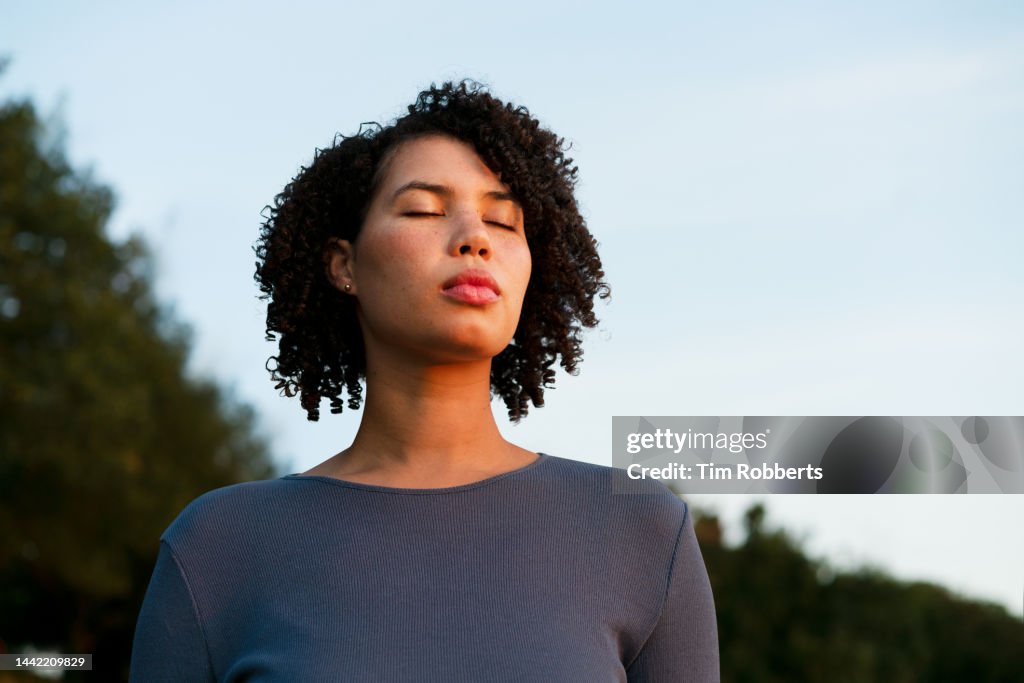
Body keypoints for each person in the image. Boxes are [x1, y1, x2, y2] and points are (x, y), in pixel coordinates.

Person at [129, 80, 719, 681]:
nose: (475, 238)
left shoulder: (641, 530)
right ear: (344, 264)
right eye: (424, 210)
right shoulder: (217, 547)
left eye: (503, 221)